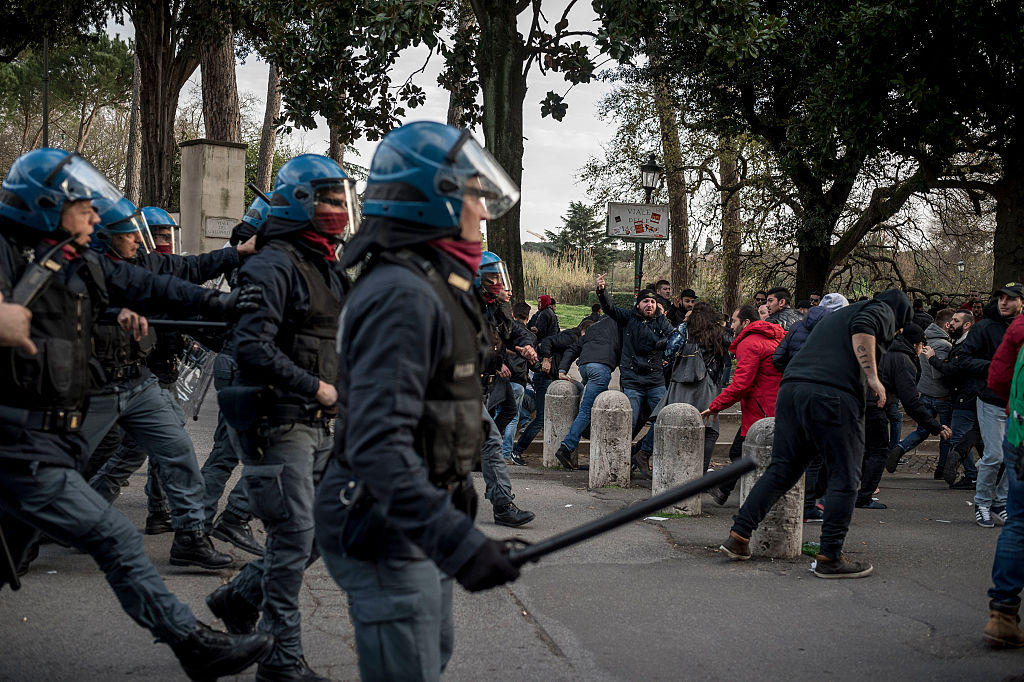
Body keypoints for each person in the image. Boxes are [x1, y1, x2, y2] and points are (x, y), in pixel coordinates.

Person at [0, 148, 271, 678]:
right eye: (85, 208)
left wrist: (224, 306)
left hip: (47, 441)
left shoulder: (79, 262)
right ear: (49, 205)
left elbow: (154, 284)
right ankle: (192, 644)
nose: (96, 219)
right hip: (18, 446)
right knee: (117, 538)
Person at [313, 121, 523, 681]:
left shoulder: (434, 284)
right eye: (474, 195)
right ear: (435, 204)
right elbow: (378, 446)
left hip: (414, 518)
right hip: (383, 524)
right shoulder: (402, 295)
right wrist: (458, 541)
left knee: (434, 652)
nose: (482, 211)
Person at [206, 154, 353, 682]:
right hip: (278, 421)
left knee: (323, 533)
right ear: (299, 202)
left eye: (343, 199)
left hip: (317, 423)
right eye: (330, 199)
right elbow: (251, 346)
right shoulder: (272, 263)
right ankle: (281, 662)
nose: (340, 208)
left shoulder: (325, 266)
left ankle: (239, 597)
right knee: (292, 540)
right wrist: (316, 386)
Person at [80, 198, 247, 569]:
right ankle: (26, 534)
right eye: (132, 233)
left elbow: (189, 271)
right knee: (53, 468)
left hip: (137, 381)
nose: (141, 240)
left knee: (176, 448)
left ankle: (189, 537)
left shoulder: (141, 263)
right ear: (106, 237)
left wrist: (236, 258)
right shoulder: (81, 268)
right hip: (92, 386)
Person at [718, 289, 912, 578]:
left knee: (783, 469)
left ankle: (739, 535)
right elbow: (864, 329)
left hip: (793, 390)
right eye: (898, 330)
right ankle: (830, 556)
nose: (894, 333)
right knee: (845, 476)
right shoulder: (881, 310)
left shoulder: (837, 316)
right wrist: (872, 377)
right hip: (833, 396)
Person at [770, 292, 849, 520]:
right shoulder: (838, 330)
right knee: (820, 455)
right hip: (823, 394)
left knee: (798, 452)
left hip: (794, 392)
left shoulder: (797, 326)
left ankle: (803, 502)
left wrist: (792, 372)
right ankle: (809, 505)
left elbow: (778, 357)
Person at [857, 323, 951, 509]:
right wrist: (936, 426)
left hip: (858, 402)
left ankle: (853, 489)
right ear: (916, 344)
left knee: (864, 449)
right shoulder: (903, 361)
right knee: (878, 451)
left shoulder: (884, 349)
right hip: (874, 406)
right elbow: (911, 402)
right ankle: (864, 495)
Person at [634, 302, 729, 476]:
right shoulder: (718, 332)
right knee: (709, 428)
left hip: (681, 381)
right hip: (707, 383)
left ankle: (645, 453)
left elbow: (669, 349)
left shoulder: (684, 329)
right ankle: (699, 472)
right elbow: (732, 347)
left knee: (667, 418)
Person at [703, 304, 785, 504]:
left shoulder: (750, 343)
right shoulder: (773, 336)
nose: (730, 325)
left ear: (746, 322)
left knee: (743, 453)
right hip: (773, 404)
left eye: (734, 321)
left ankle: (729, 490)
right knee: (742, 452)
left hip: (762, 407)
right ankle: (724, 490)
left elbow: (741, 384)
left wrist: (716, 405)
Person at [595, 275, 675, 465]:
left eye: (653, 302)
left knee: (664, 416)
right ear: (638, 304)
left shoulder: (661, 321)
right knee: (629, 419)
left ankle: (642, 451)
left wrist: (663, 348)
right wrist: (602, 290)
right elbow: (610, 309)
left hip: (655, 378)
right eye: (646, 301)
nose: (650, 305)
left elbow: (673, 338)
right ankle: (616, 459)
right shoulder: (629, 318)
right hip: (632, 378)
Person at [963, 284, 1023, 527]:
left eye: (1010, 299)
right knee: (994, 456)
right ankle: (982, 502)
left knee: (1016, 457)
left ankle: (1000, 501)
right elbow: (963, 358)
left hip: (1017, 405)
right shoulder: (984, 327)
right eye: (1001, 298)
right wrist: (996, 367)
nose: (1004, 302)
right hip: (991, 401)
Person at [982, 310, 1024, 647]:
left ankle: (1003, 613)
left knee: (1019, 522)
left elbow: (997, 377)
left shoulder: (1019, 329)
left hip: (1019, 431)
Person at [886, 308, 956, 477]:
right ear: (947, 324)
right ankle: (941, 470)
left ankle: (900, 448)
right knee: (946, 434)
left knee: (922, 430)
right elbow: (938, 374)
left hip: (924, 393)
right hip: (941, 395)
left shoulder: (921, 337)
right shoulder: (942, 345)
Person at [554, 315, 622, 465]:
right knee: (586, 410)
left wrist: (562, 369)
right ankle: (566, 447)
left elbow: (573, 348)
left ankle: (582, 429)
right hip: (600, 369)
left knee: (586, 404)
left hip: (585, 367)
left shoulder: (593, 329)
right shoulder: (619, 328)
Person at [931, 310, 983, 489]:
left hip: (966, 396)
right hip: (965, 395)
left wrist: (933, 360)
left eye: (955, 321)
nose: (950, 323)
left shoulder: (966, 345)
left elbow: (955, 370)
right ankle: (991, 473)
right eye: (951, 319)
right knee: (978, 437)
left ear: (967, 325)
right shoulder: (959, 343)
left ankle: (972, 475)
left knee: (958, 436)